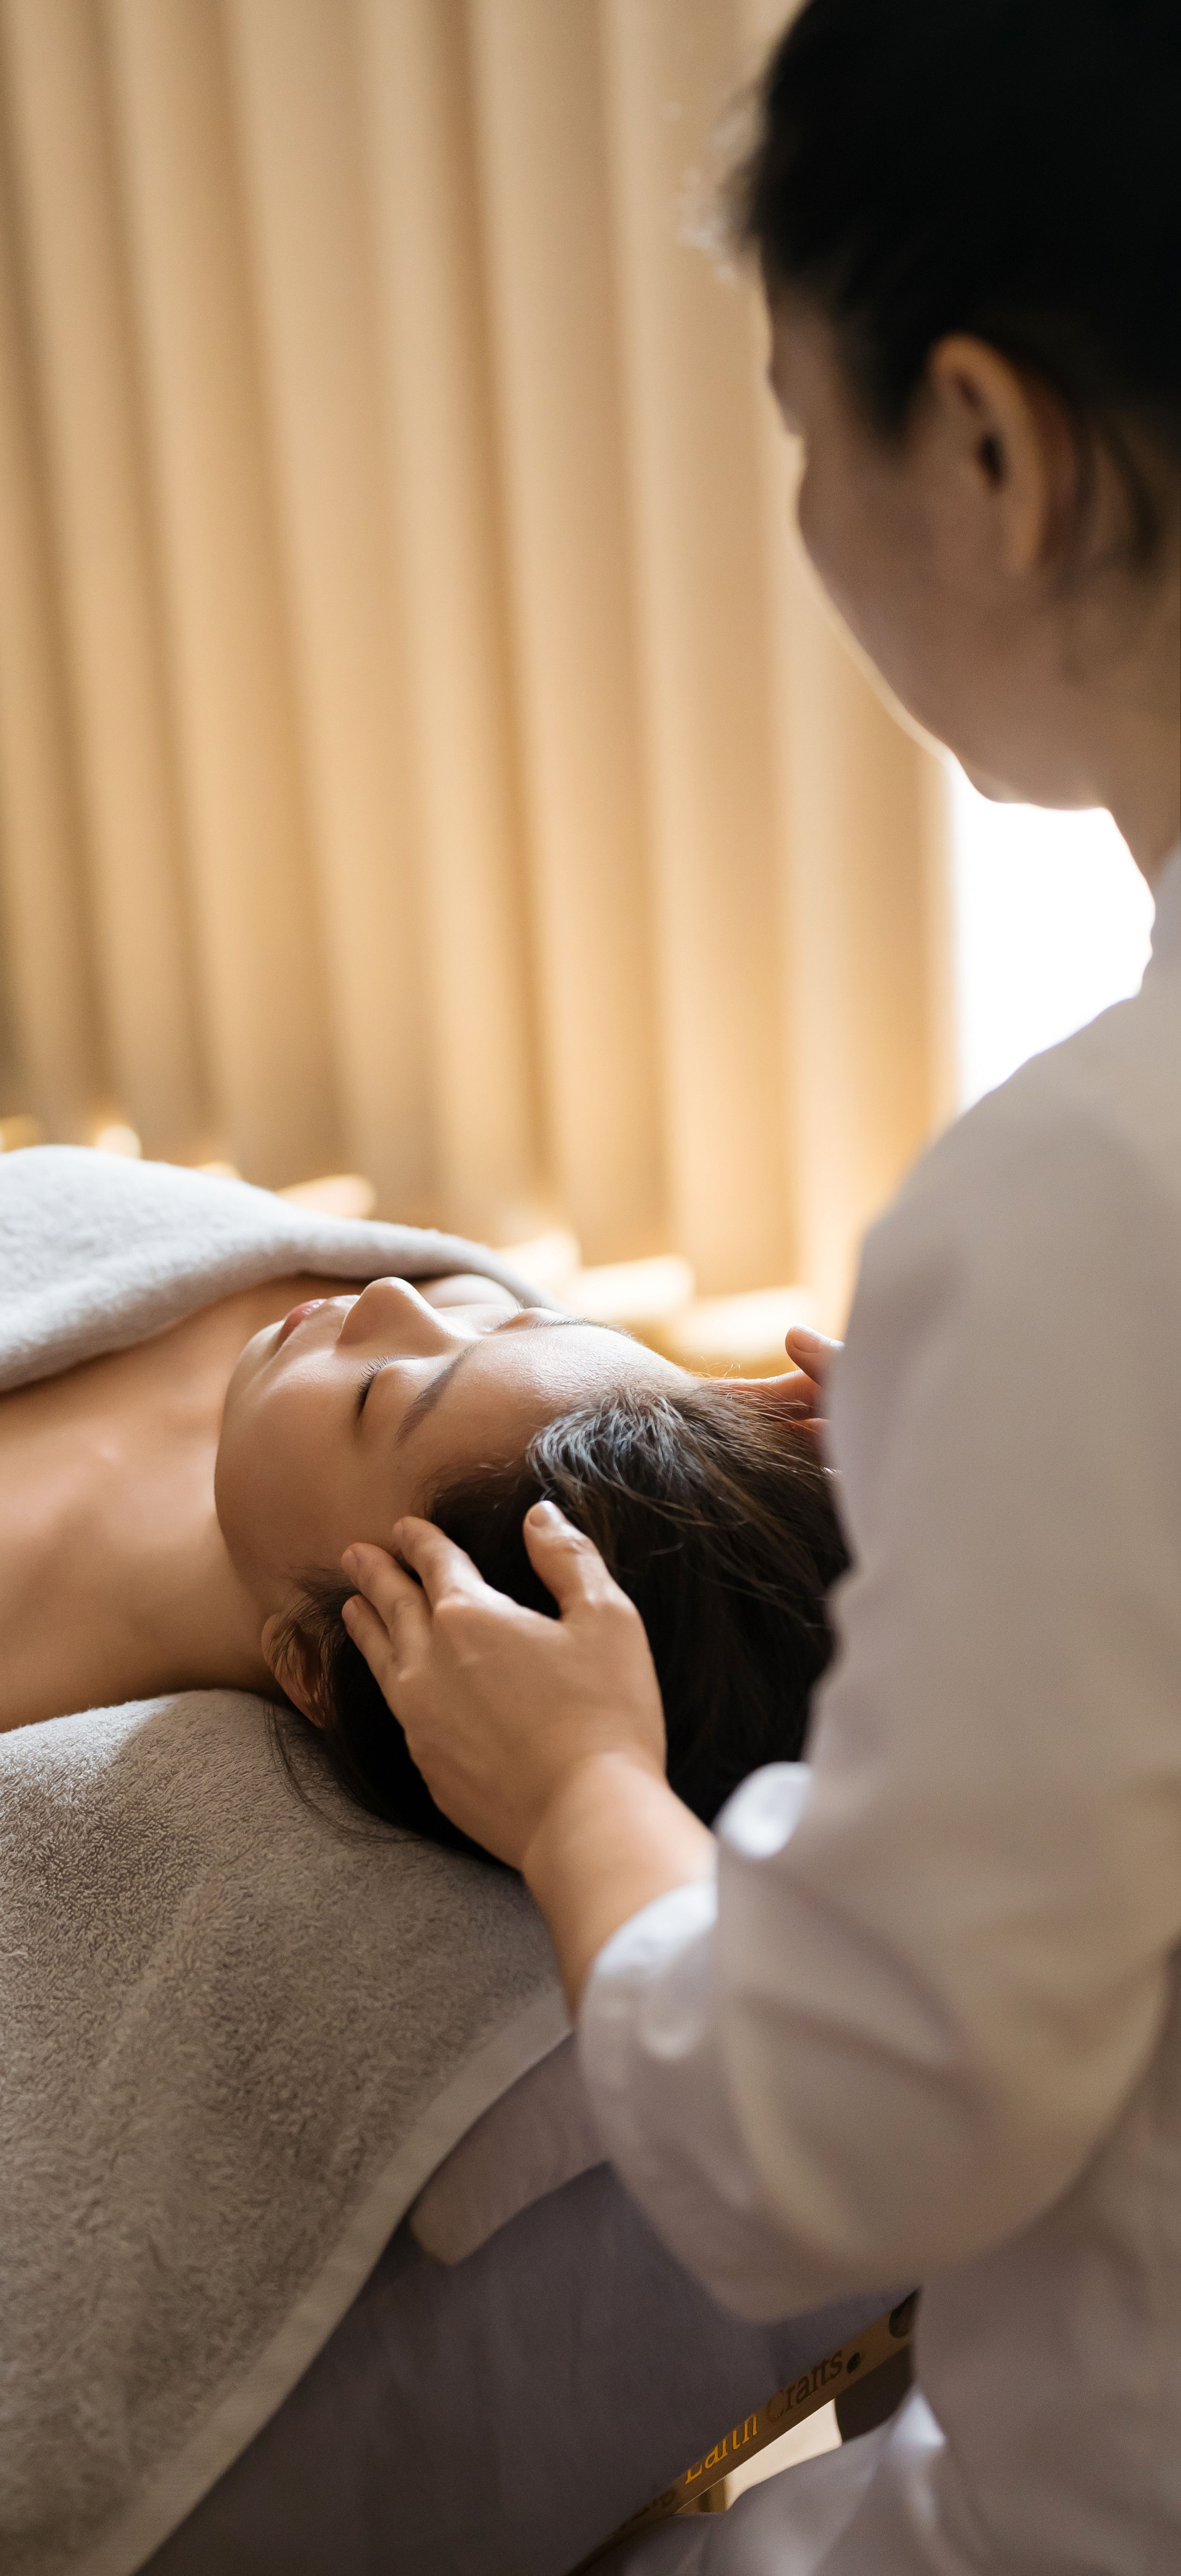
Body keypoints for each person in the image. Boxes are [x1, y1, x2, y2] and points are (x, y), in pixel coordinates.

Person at [337, 3, 1181, 2569]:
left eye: (806, 430)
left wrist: (589, 1797)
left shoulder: (1083, 1216)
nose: (358, 1311)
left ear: (991, 444)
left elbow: (844, 2138)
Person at [0, 1263, 841, 1878]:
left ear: (313, 1659)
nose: (394, 1288)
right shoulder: (361, 1331)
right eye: (510, 1313)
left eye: (381, 1391)